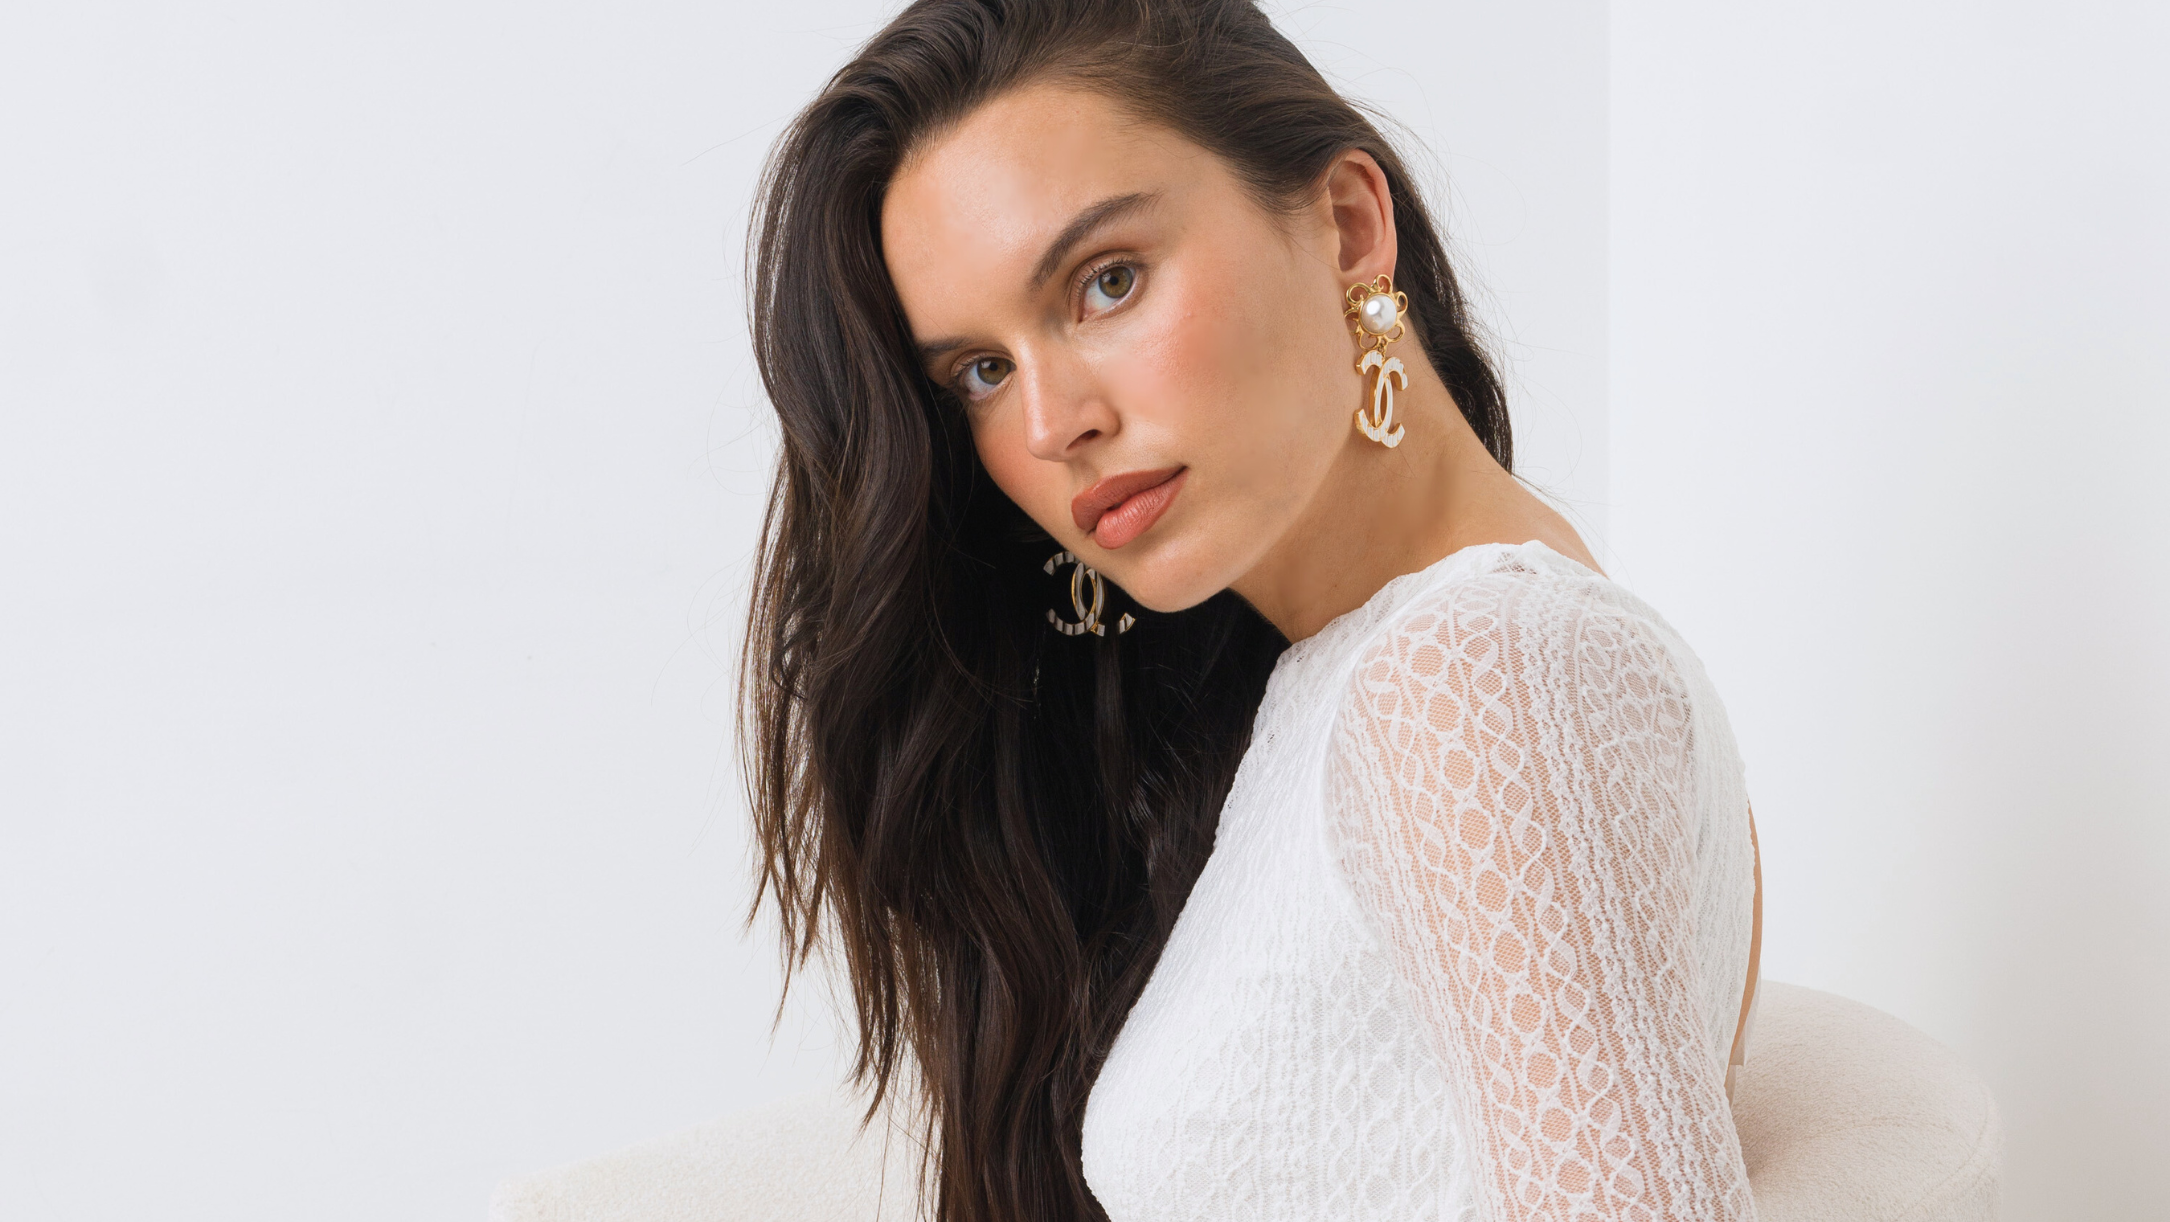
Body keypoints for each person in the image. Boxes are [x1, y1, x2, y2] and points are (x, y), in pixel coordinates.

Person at [741, 1, 1762, 1219]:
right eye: (981, 371)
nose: (1047, 422)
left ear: (1344, 228)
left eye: (1105, 282)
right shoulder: (1370, 676)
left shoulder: (1484, 672)